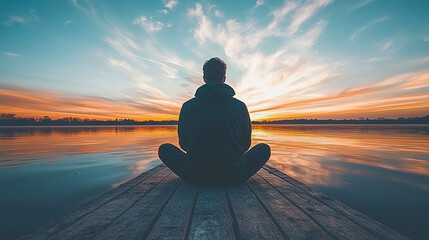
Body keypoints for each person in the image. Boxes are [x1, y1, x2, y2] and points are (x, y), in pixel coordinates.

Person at [158, 57, 270, 185]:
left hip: (196, 175)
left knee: (165, 149)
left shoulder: (188, 106)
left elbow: (184, 144)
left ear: (204, 78)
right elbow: (245, 145)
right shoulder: (240, 106)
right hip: (233, 175)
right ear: (224, 78)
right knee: (264, 149)